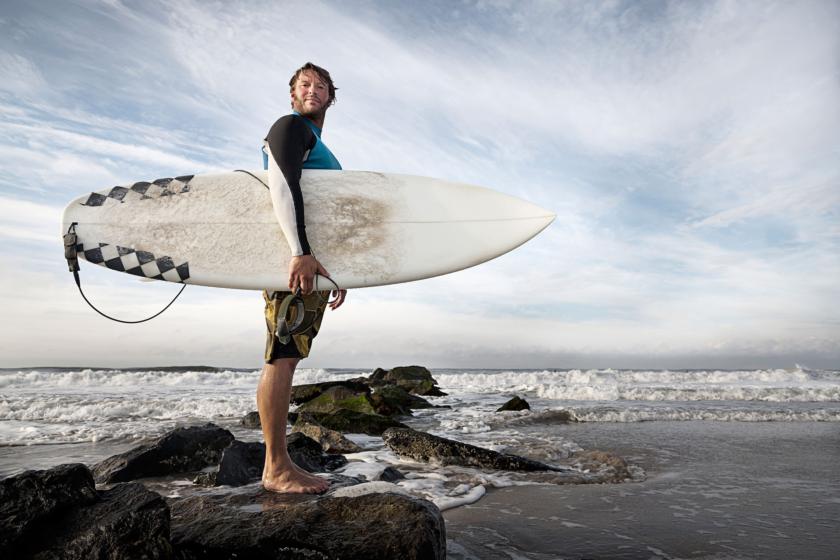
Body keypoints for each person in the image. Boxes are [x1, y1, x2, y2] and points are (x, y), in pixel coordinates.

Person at [257, 62, 346, 494]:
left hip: (311, 264)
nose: (312, 90)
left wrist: (341, 270)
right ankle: (276, 468)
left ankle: (279, 465)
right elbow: (281, 183)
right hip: (297, 263)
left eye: (321, 85)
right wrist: (300, 252)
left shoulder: (316, 142)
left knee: (289, 354)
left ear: (332, 96)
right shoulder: (291, 127)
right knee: (282, 355)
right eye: (304, 84)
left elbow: (321, 212)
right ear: (292, 95)